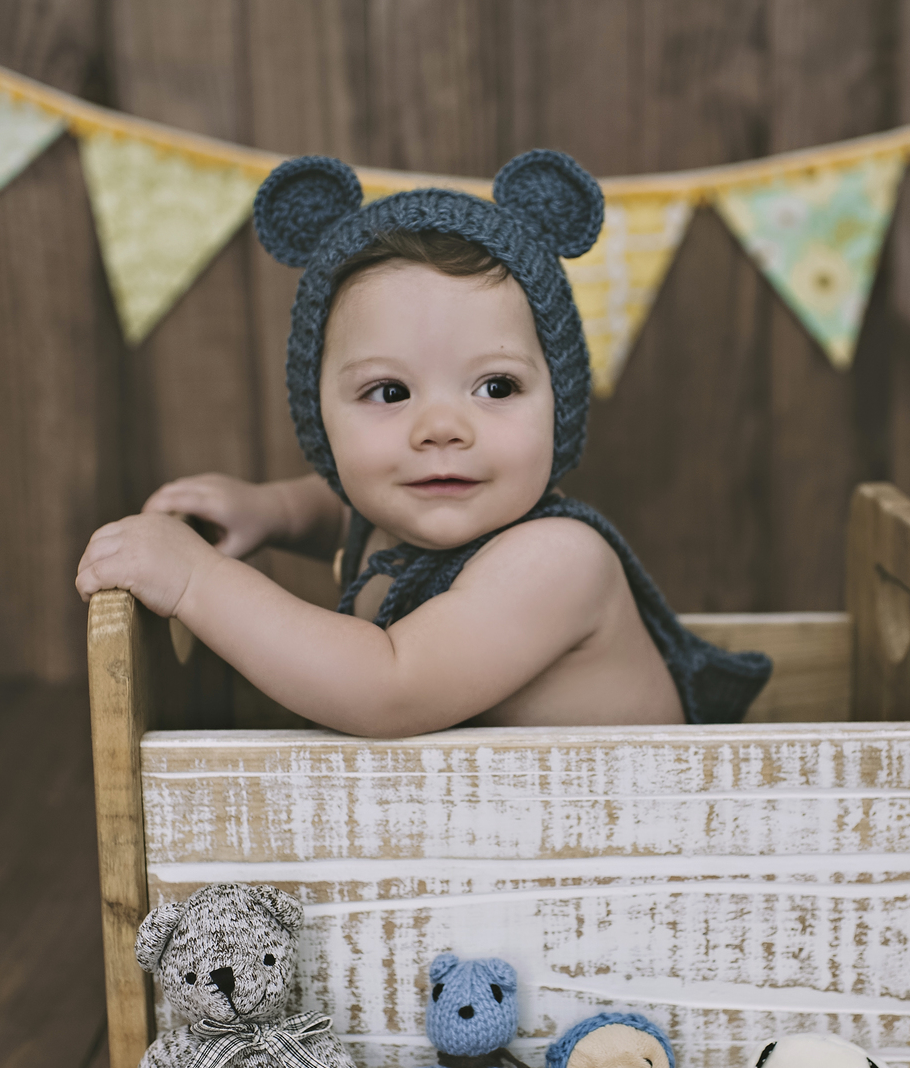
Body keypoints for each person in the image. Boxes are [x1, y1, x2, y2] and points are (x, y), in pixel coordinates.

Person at [76, 150, 769, 736]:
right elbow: (350, 508)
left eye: (495, 388)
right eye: (389, 393)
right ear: (320, 419)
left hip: (642, 852)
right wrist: (274, 511)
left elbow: (389, 686)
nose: (441, 428)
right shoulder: (413, 505)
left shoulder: (557, 563)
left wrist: (199, 580)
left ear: (558, 402)